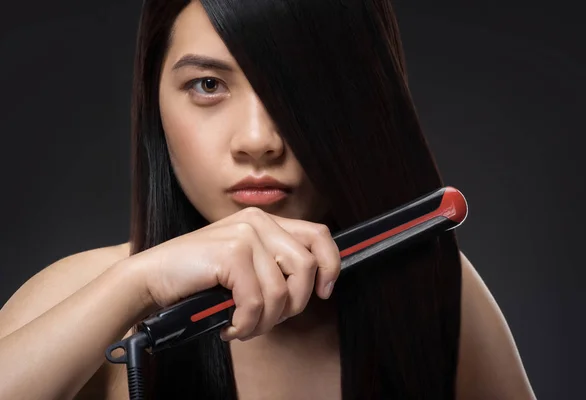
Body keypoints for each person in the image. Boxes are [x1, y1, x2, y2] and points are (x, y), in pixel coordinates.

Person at [0, 0, 537, 399]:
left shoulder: (436, 290)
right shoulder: (89, 295)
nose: (258, 139)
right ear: (155, 102)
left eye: (301, 90)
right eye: (208, 85)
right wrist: (137, 283)